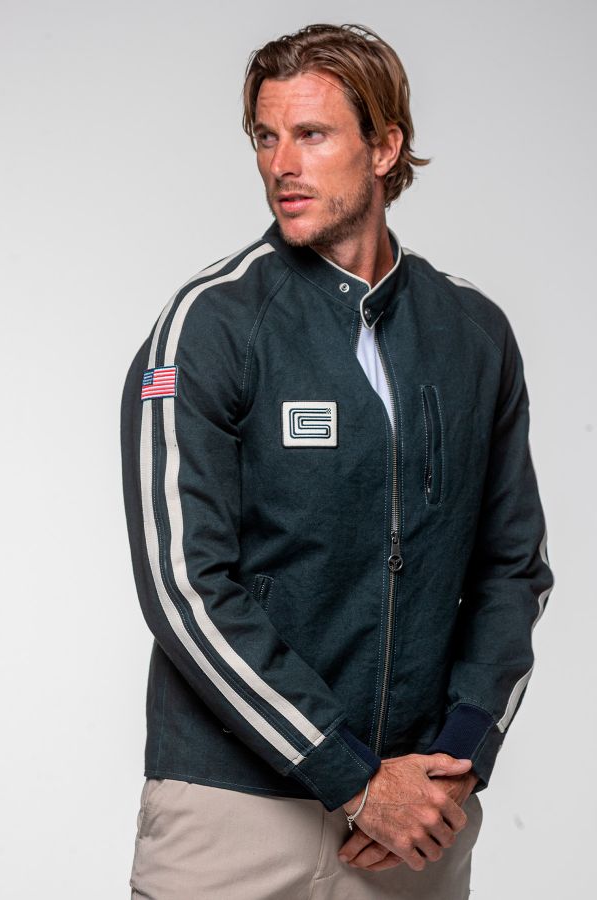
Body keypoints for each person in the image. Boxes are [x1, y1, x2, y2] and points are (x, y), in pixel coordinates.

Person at [121, 22, 554, 899]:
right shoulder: (210, 326)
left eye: (311, 134)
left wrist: (463, 754)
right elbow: (184, 588)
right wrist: (349, 775)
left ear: (385, 148)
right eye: (265, 136)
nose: (281, 164)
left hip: (415, 820)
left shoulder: (473, 334)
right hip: (235, 812)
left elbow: (512, 567)